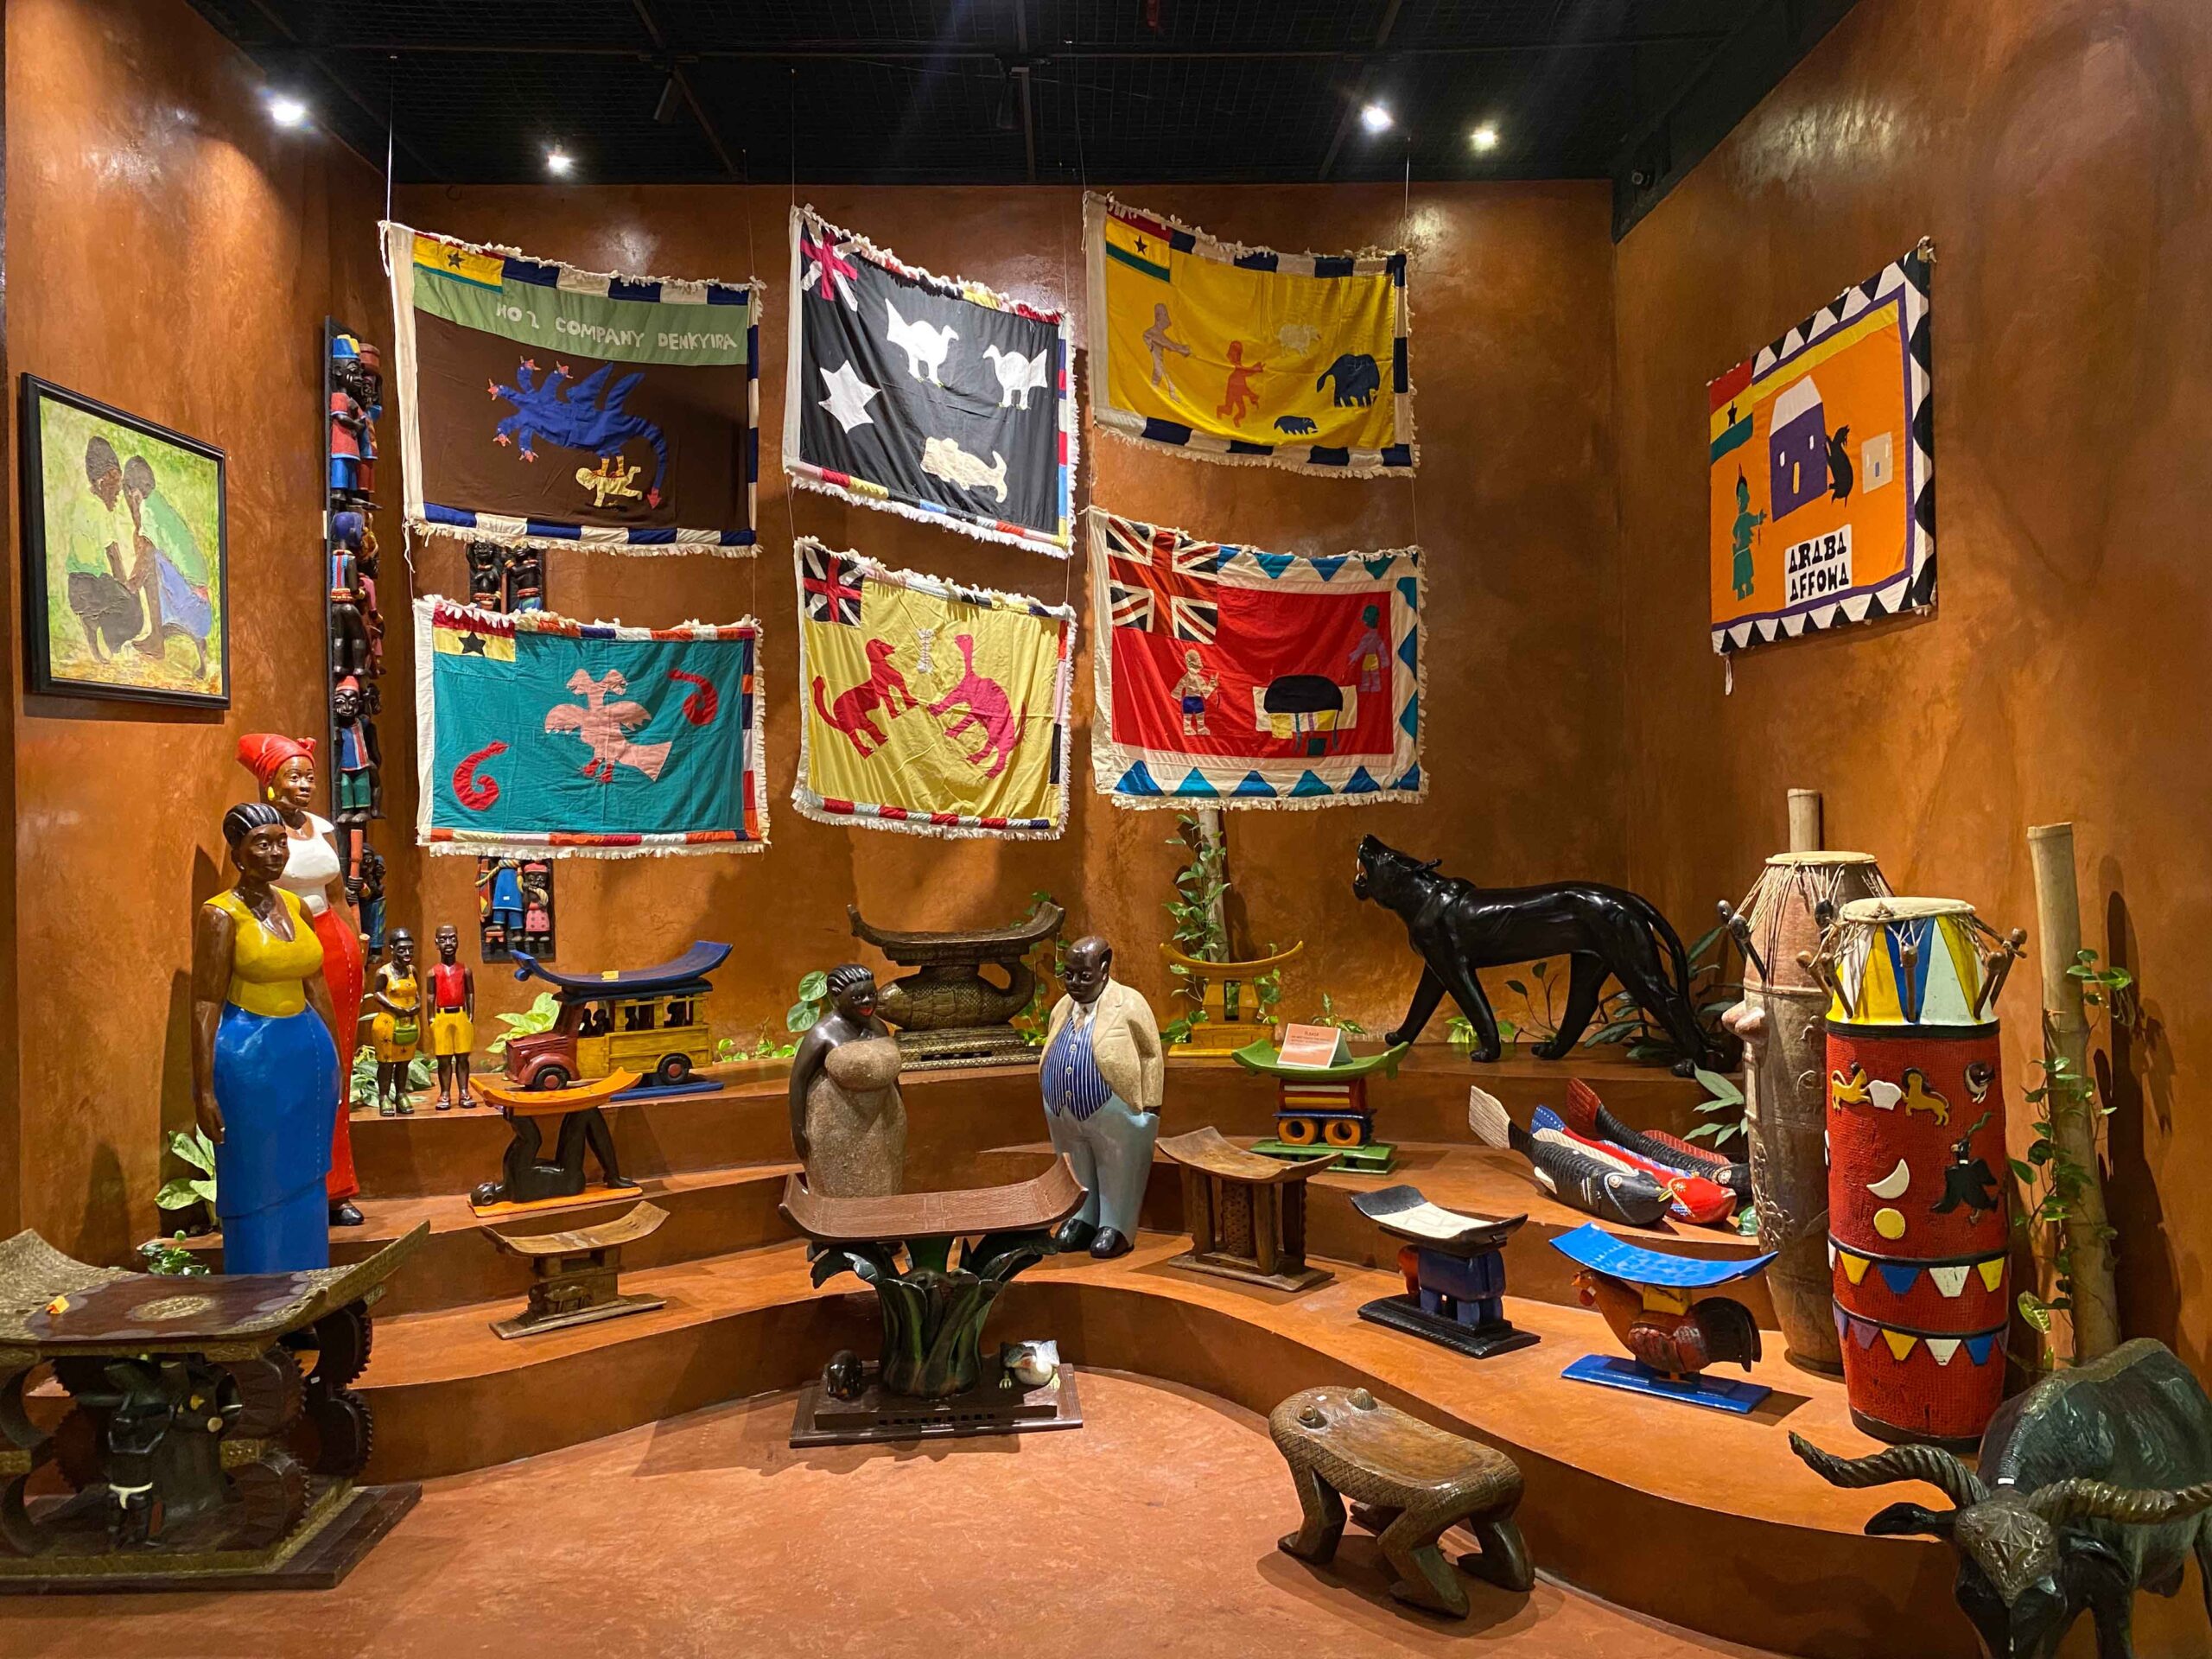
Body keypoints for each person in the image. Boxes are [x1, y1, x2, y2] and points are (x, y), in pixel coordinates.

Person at [190, 803, 341, 1274]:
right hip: (250, 1062)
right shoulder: (220, 915)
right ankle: (258, 1302)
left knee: (307, 1179)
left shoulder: (295, 905)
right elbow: (204, 1002)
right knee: (259, 1182)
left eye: (280, 842)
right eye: (262, 843)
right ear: (237, 853)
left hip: (308, 1057)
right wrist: (204, 1088)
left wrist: (336, 1056)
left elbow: (315, 982)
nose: (275, 852)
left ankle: (306, 1290)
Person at [236, 734, 365, 1227]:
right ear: (269, 783)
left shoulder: (321, 828)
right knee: (295, 1066)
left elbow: (336, 893)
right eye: (294, 776)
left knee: (337, 1066)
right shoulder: (259, 834)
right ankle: (292, 1186)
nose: (305, 785)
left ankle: (337, 1186)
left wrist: (357, 940)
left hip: (335, 945)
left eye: (309, 775)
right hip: (284, 944)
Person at [1039, 936, 1163, 1259]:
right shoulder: (1062, 1008)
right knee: (1076, 1164)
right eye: (1069, 975)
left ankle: (1116, 1225)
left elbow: (1151, 1054)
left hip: (1113, 1105)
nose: (1075, 983)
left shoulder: (1130, 1003)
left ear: (1104, 969)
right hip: (1063, 1109)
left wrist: (1150, 1105)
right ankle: (1081, 1217)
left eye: (1084, 975)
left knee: (1117, 1164)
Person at [787, 965, 906, 1198]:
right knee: (842, 1197)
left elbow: (892, 1076)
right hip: (837, 1127)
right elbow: (798, 1081)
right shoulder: (822, 1034)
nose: (867, 1001)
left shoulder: (879, 1027)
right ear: (835, 997)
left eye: (872, 994)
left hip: (887, 1122)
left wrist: (900, 1108)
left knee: (885, 1188)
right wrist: (798, 1128)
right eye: (857, 997)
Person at [60, 435, 141, 660]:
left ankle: (96, 644)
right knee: (131, 606)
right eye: (115, 489)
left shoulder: (80, 502)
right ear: (103, 481)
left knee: (112, 597)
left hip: (75, 586)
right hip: (92, 585)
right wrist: (126, 587)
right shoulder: (99, 511)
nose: (117, 495)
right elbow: (113, 555)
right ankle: (116, 648)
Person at [367, 929, 422, 1116]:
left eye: (410, 950)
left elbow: (417, 992)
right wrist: (395, 1007)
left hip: (409, 1022)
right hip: (388, 1023)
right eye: (402, 950)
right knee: (387, 1063)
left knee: (404, 1062)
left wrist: (417, 1006)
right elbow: (377, 993)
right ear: (392, 949)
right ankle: (384, 1096)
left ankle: (400, 1093)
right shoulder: (384, 972)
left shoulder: (412, 970)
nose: (407, 954)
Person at [428, 924, 476, 1111]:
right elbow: (430, 996)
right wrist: (431, 1018)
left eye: (452, 938)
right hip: (442, 1018)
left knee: (463, 1057)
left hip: (460, 1015)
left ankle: (464, 1091)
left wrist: (470, 1014)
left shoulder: (465, 970)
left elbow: (470, 993)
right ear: (436, 943)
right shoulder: (433, 972)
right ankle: (445, 1093)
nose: (448, 943)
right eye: (443, 939)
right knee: (444, 1059)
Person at [1172, 648, 1220, 736]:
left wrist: (1212, 686)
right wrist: (1211, 686)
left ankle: (1199, 729)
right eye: (1198, 660)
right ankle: (1189, 729)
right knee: (1189, 716)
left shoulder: (1197, 678)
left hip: (1194, 699)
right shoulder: (1194, 678)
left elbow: (1204, 691)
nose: (1200, 662)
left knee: (1199, 715)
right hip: (1193, 699)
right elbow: (1204, 691)